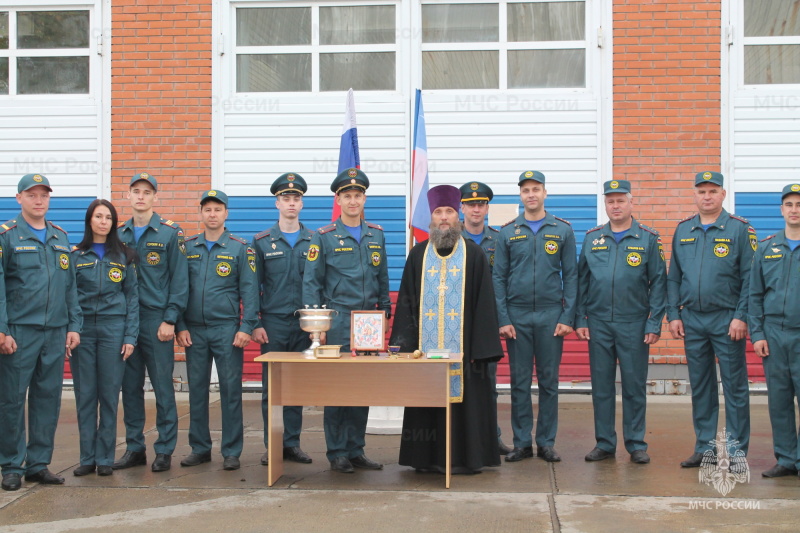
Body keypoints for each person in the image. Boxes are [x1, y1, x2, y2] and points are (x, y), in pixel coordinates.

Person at [392, 185, 503, 475]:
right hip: (423, 352)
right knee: (425, 402)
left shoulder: (475, 255)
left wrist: (481, 350)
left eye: (449, 212)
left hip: (465, 357)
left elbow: (485, 305)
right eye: (438, 212)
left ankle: (466, 459)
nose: (444, 218)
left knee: (467, 403)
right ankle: (425, 458)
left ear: (459, 217)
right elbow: (406, 304)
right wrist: (404, 348)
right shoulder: (417, 256)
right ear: (431, 218)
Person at [302, 168, 391, 474]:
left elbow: (382, 277)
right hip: (338, 320)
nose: (353, 201)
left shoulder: (376, 234)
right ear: (338, 199)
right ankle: (337, 451)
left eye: (358, 195)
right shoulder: (323, 237)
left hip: (369, 322)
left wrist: (385, 312)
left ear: (364, 198)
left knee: (362, 387)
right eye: (347, 196)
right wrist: (318, 327)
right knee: (337, 388)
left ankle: (356, 449)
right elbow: (311, 282)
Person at [0, 174, 82, 491]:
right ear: (18, 198)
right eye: (31, 195)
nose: (38, 200)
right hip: (19, 331)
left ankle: (38, 463)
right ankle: (11, 464)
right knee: (11, 399)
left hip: (55, 331)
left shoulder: (60, 238)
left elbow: (70, 287)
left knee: (47, 399)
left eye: (43, 195)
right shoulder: (7, 237)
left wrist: (74, 325)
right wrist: (2, 328)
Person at [667, 171, 755, 468]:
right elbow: (674, 278)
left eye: (712, 191)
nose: (707, 196)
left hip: (727, 320)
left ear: (723, 195)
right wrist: (673, 314)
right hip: (692, 320)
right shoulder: (683, 230)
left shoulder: (740, 229)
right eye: (702, 191)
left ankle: (736, 451)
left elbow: (749, 279)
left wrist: (741, 316)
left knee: (734, 388)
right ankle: (706, 447)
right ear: (695, 195)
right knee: (701, 386)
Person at [576, 180, 666, 464]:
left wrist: (654, 323)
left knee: (634, 386)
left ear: (631, 203)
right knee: (601, 386)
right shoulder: (592, 239)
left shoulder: (648, 239)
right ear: (605, 204)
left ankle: (636, 443)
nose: (615, 206)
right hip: (599, 322)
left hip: (634, 324)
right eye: (610, 201)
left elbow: (660, 283)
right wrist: (580, 318)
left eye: (620, 200)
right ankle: (604, 443)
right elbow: (582, 282)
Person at [493, 170, 577, 463]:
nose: (531, 194)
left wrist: (567, 316)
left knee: (549, 382)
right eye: (526, 190)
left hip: (550, 316)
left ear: (545, 193)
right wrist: (503, 318)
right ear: (520, 195)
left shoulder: (562, 230)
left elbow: (572, 277)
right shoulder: (508, 232)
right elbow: (499, 278)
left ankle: (546, 442)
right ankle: (521, 443)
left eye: (536, 189)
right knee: (518, 382)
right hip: (516, 317)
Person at [176, 190, 258, 471]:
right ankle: (199, 448)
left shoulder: (240, 248)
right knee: (196, 391)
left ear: (226, 213)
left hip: (227, 330)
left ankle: (232, 451)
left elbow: (250, 289)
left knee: (230, 391)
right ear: (201, 213)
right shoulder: (187, 248)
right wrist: (180, 325)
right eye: (207, 209)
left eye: (217, 209)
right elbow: (178, 289)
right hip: (194, 331)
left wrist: (246, 326)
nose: (212, 214)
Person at [115, 172, 189, 473]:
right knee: (130, 388)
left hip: (158, 322)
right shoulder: (118, 236)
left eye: (147, 191)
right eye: (136, 191)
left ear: (155, 197)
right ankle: (134, 448)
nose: (141, 196)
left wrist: (171, 319)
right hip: (126, 324)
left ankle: (164, 449)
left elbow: (180, 280)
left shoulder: (170, 233)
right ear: (129, 196)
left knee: (162, 388)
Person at [70, 200, 139, 477]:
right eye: (98, 216)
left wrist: (130, 336)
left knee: (109, 396)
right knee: (85, 395)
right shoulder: (75, 256)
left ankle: (105, 459)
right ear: (89, 221)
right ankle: (87, 458)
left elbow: (132, 298)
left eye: (108, 217)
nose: (102, 221)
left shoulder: (124, 256)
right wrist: (72, 328)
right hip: (83, 331)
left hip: (114, 330)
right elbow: (69, 296)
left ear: (113, 223)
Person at [252, 173, 314, 466]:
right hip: (274, 323)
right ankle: (273, 444)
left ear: (302, 203)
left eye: (296, 198)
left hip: (304, 323)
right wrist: (254, 323)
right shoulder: (262, 242)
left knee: (297, 386)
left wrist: (317, 325)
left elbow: (320, 283)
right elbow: (253, 285)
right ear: (277, 203)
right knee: (272, 387)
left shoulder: (314, 240)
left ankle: (292, 443)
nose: (291, 203)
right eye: (286, 198)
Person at [749, 183, 800, 478]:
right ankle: (786, 459)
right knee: (779, 400)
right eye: (789, 205)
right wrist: (758, 334)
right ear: (781, 210)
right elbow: (754, 294)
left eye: (799, 204)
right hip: (775, 335)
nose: (795, 210)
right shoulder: (767, 248)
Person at [459, 181, 511, 456]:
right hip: (456, 319)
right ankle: (460, 437)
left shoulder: (499, 239)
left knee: (488, 383)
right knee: (456, 381)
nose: (476, 209)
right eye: (470, 204)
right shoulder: (451, 239)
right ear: (462, 207)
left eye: (481, 204)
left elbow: (505, 280)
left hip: (487, 321)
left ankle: (492, 437)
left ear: (487, 207)